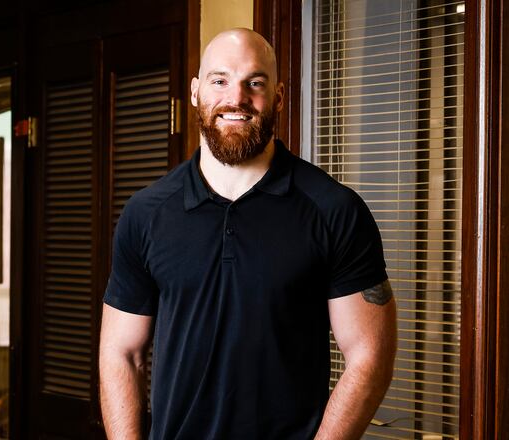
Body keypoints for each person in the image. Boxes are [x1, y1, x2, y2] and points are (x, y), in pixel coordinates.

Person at [98, 28, 397, 440]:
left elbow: (370, 356)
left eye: (253, 83)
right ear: (195, 91)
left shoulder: (334, 211)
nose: (235, 99)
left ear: (277, 97)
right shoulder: (145, 213)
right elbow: (122, 353)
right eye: (219, 81)